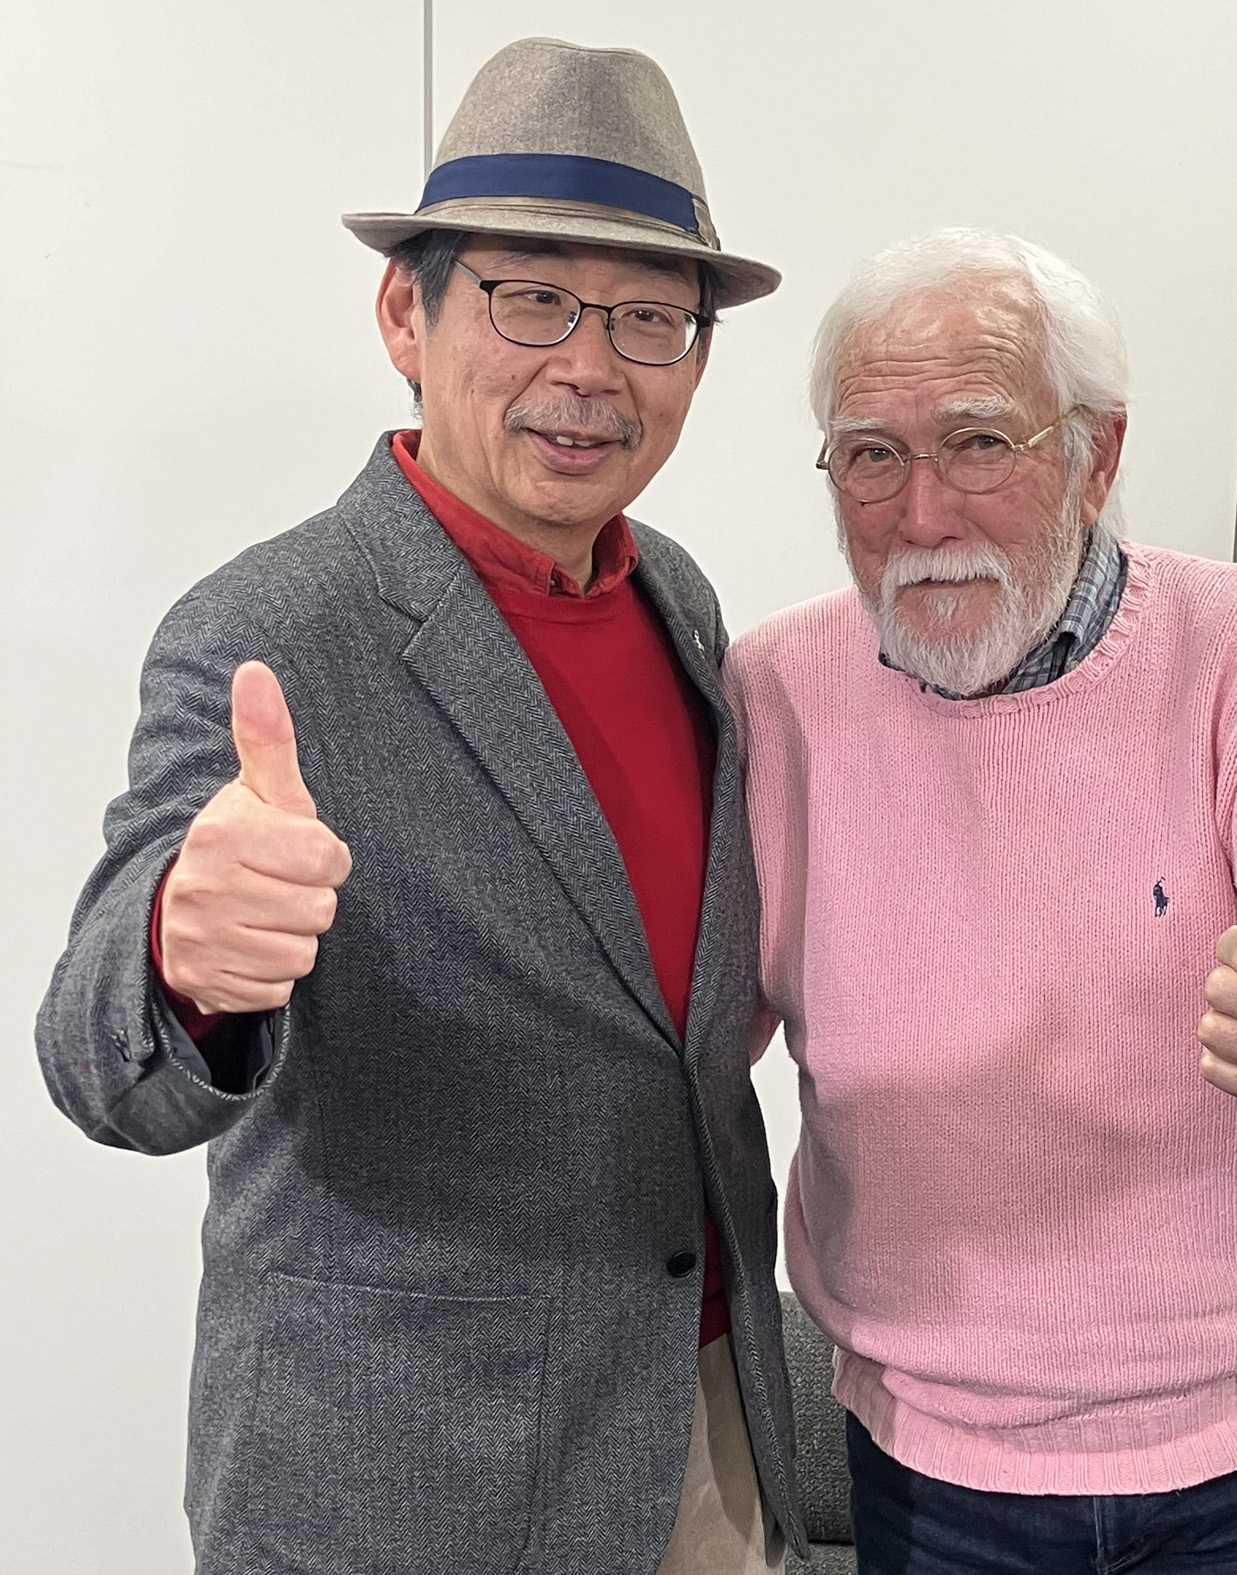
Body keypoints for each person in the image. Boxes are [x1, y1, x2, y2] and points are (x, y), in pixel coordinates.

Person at [36, 37, 802, 1575]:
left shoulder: (680, 599)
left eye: (650, 318)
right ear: (406, 312)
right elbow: (99, 1069)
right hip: (408, 1475)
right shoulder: (267, 630)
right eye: (532, 299)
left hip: (699, 1422)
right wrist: (185, 958)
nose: (591, 368)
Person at [723, 228, 1237, 1575]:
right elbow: (688, 1025)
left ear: (1098, 456)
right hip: (930, 1453)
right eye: (871, 454)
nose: (921, 513)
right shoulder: (772, 693)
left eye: (979, 443)